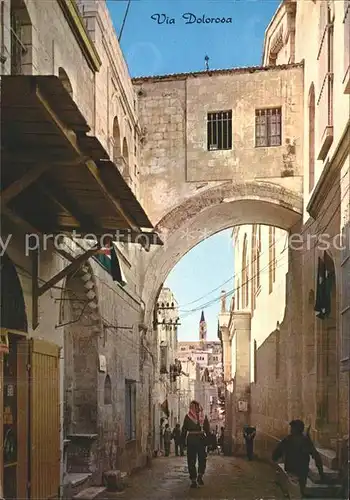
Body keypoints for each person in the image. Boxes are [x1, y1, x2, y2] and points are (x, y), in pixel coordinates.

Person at [272, 419, 324, 498]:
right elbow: (316, 456)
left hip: (292, 471)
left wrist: (275, 459)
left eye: (292, 427)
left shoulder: (288, 440)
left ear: (297, 429)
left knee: (294, 493)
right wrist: (321, 472)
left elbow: (276, 453)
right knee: (299, 492)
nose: (291, 429)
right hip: (302, 471)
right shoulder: (305, 441)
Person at [181, 400, 210, 488]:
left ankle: (200, 475)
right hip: (192, 440)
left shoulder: (203, 417)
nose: (194, 408)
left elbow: (207, 429)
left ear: (198, 407)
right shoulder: (188, 417)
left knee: (202, 459)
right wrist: (182, 442)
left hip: (200, 439)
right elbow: (184, 430)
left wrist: (208, 442)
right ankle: (193, 479)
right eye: (192, 406)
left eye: (195, 406)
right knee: (191, 460)